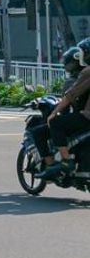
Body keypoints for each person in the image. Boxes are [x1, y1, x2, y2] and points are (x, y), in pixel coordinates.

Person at [39, 38, 90, 180]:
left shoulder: (87, 72)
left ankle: (66, 160)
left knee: (56, 123)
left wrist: (54, 113)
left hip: (87, 117)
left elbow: (71, 95)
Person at [30, 47, 85, 167]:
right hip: (81, 117)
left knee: (52, 124)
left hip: (84, 117)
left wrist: (55, 112)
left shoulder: (82, 75)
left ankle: (63, 162)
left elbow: (70, 95)